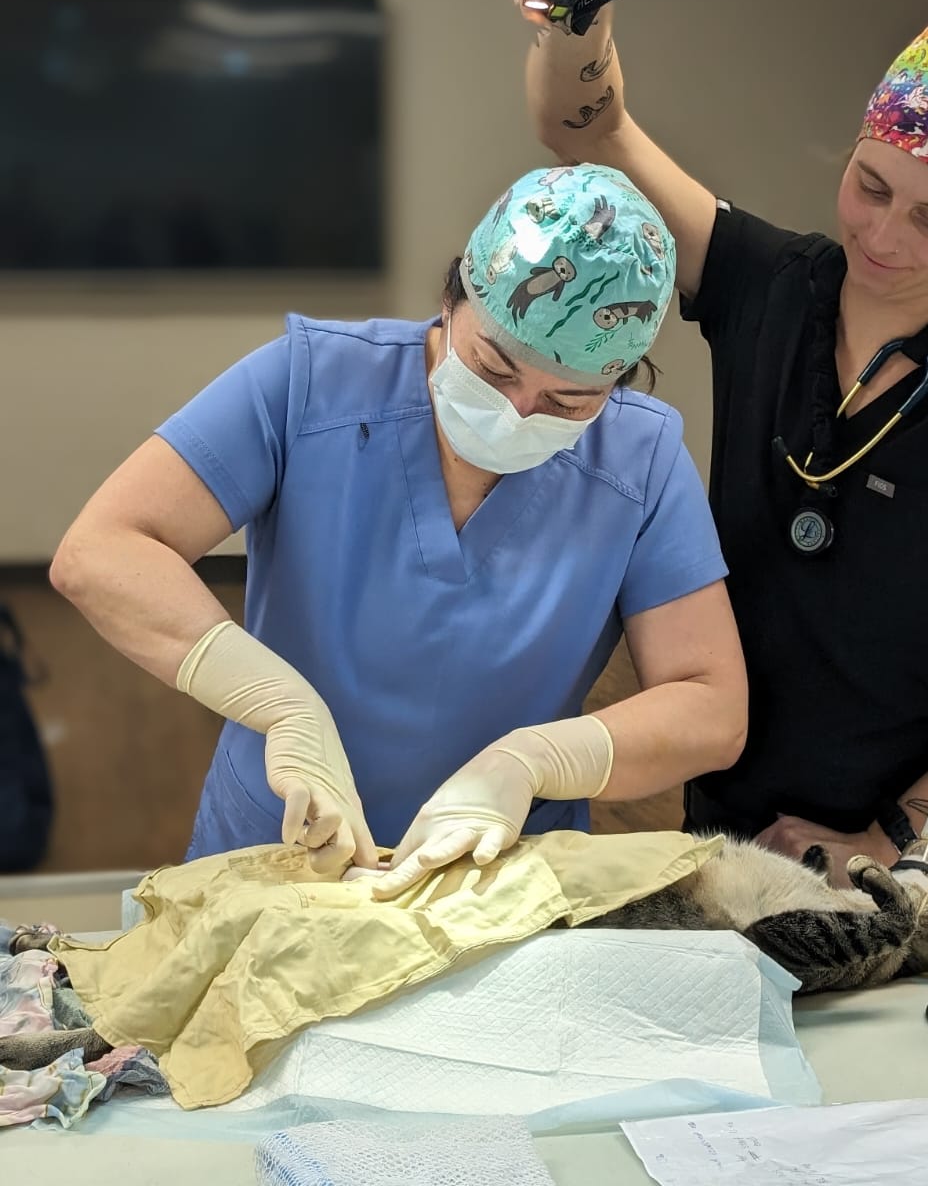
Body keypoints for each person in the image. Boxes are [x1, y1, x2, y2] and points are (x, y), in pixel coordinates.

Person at [513, 0, 928, 876]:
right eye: (869, 185)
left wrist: (894, 839)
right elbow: (586, 128)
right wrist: (574, 22)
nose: (883, 237)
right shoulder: (766, 284)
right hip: (713, 812)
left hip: (894, 854)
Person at [50, 164, 748, 898]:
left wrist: (535, 761)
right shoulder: (313, 383)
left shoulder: (639, 460)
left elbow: (711, 704)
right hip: (274, 858)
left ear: (618, 382)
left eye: (567, 401)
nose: (517, 411)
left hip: (492, 881)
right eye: (493, 368)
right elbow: (102, 551)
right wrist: (283, 706)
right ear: (452, 298)